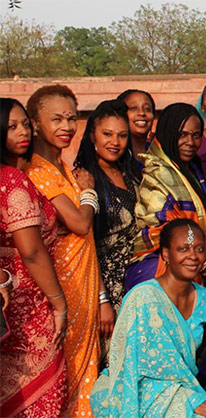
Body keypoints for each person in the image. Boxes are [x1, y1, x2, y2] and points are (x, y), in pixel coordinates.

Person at [125, 102, 206, 383]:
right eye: (182, 135)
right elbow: (166, 231)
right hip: (166, 273)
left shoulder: (193, 169)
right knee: (170, 359)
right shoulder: (158, 174)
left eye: (196, 135)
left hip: (201, 270)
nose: (190, 142)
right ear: (169, 134)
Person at [90, 219, 206, 418]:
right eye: (183, 249)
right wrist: (190, 400)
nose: (193, 256)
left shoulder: (203, 298)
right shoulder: (143, 297)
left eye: (199, 249)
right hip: (134, 388)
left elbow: (183, 364)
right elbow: (131, 366)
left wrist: (188, 397)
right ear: (165, 254)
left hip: (177, 388)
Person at [24, 85, 104, 417]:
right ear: (35, 123)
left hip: (85, 287)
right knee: (65, 375)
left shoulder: (67, 169)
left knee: (87, 371)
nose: (67, 127)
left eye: (71, 118)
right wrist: (89, 194)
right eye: (56, 119)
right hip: (60, 287)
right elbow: (79, 224)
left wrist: (101, 296)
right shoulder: (36, 172)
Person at [0, 97, 68, 418]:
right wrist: (58, 301)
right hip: (28, 306)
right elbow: (30, 249)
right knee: (40, 397)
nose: (22, 131)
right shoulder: (12, 181)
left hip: (8, 302)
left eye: (25, 123)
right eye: (11, 126)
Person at [73, 100, 142, 362]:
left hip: (136, 281)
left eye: (122, 135)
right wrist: (102, 300)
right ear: (92, 135)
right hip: (105, 287)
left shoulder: (132, 175)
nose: (115, 142)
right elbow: (85, 243)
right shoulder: (83, 179)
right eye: (107, 134)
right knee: (111, 362)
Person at [116, 89, 156, 156]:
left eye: (147, 109)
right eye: (133, 108)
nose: (142, 113)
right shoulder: (114, 153)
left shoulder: (159, 155)